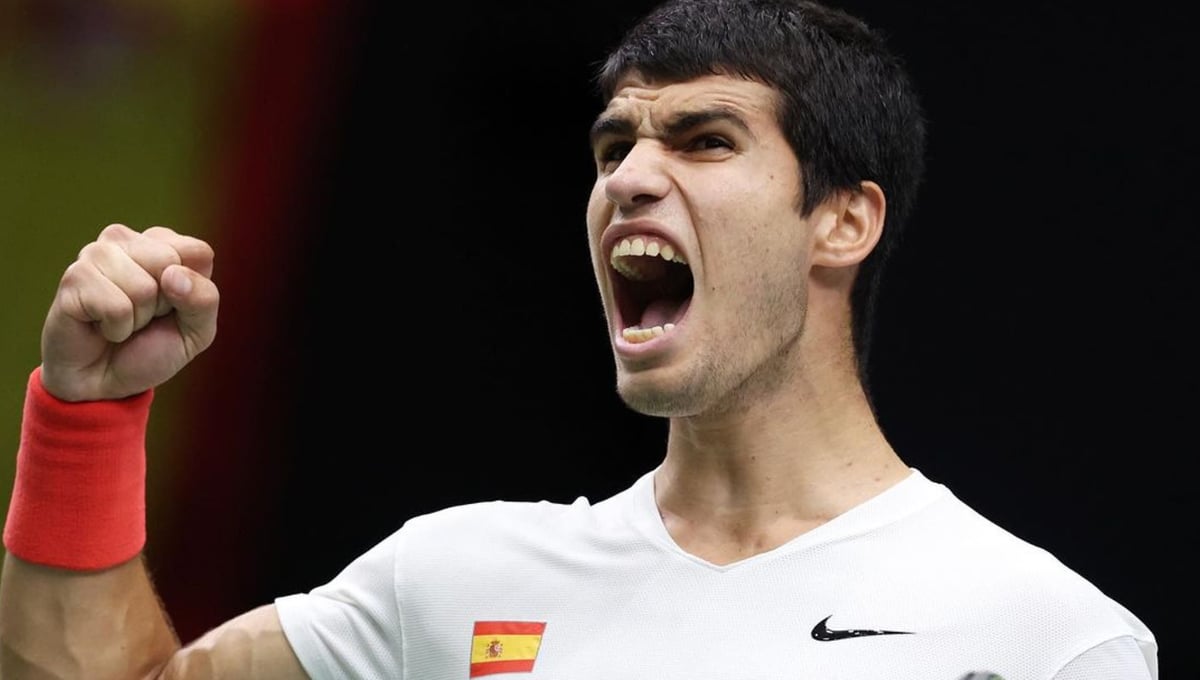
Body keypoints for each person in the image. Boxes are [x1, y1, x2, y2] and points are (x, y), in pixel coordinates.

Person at [0, 0, 1158, 677]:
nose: (630, 178)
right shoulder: (453, 577)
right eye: (613, 148)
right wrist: (85, 417)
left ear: (843, 220)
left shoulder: (1048, 636)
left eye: (703, 140)